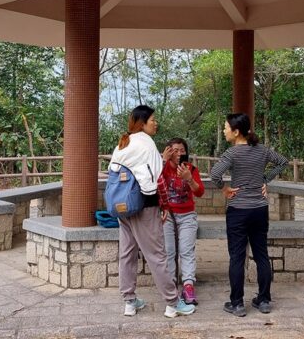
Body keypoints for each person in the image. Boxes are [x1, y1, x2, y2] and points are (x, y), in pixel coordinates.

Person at [108, 105, 196, 318]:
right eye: (153, 120)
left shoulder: (123, 143)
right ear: (142, 123)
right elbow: (157, 181)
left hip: (123, 206)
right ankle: (173, 303)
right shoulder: (146, 143)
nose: (156, 123)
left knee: (127, 254)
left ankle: (129, 302)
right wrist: (164, 205)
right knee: (157, 255)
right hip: (144, 206)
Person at [210, 112, 289, 317]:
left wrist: (224, 189)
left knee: (237, 257)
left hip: (238, 210)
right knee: (261, 255)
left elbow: (215, 174)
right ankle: (264, 300)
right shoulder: (262, 150)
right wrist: (265, 180)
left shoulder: (232, 153)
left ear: (236, 132)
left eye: (226, 127)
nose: (224, 131)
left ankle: (237, 304)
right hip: (259, 209)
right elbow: (283, 162)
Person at [157, 137, 205, 305]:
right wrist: (162, 162)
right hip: (167, 215)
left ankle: (188, 285)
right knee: (169, 251)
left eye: (182, 150)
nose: (178, 154)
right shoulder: (161, 168)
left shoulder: (191, 169)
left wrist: (189, 179)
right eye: (174, 150)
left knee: (186, 251)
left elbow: (200, 192)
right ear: (167, 152)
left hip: (187, 215)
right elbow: (152, 183)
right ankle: (171, 286)